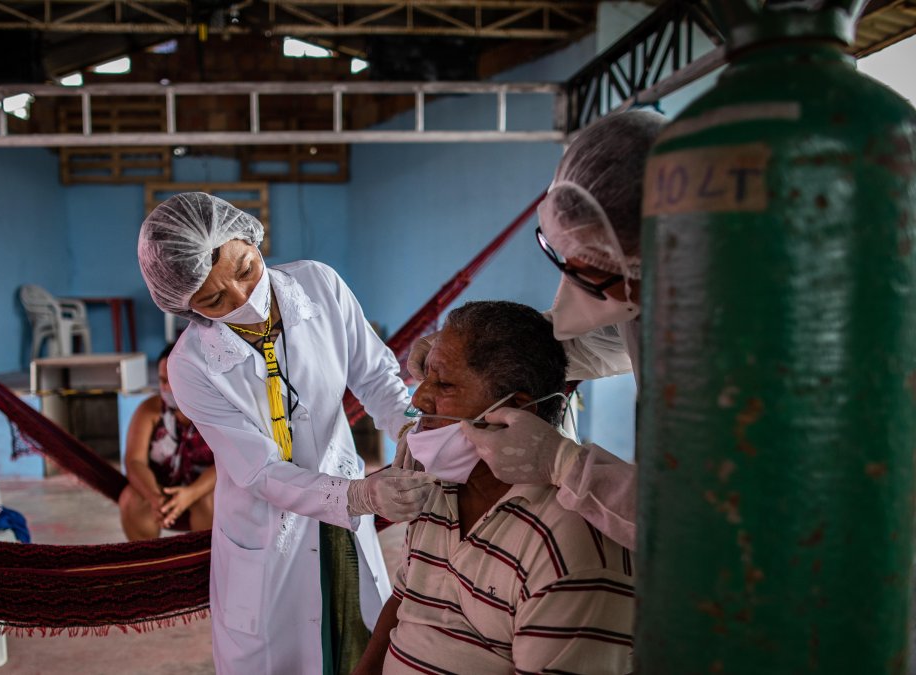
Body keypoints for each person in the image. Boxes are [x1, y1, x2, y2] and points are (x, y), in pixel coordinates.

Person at [137, 192, 437, 675]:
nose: (242, 299)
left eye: (246, 269)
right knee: (282, 656)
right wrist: (360, 495)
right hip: (268, 529)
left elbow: (376, 377)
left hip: (341, 522)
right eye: (213, 300)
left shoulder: (319, 284)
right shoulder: (190, 366)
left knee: (357, 643)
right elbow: (259, 471)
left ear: (251, 238)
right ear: (186, 307)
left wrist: (411, 431)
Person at [407, 110, 667, 551]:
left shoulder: (743, 354)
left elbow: (699, 527)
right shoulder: (638, 299)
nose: (418, 399)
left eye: (591, 270)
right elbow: (580, 342)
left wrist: (565, 464)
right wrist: (461, 346)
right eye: (563, 256)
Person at [355, 301, 634, 675]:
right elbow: (404, 600)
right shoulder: (440, 491)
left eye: (444, 383)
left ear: (516, 409)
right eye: (426, 378)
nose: (418, 400)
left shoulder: (564, 543)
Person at [118, 343, 216, 540]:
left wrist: (191, 494)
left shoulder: (214, 411)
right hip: (161, 488)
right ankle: (149, 558)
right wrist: (155, 498)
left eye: (173, 380)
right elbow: (134, 461)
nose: (166, 388)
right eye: (162, 380)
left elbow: (228, 463)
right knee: (130, 499)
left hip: (204, 489)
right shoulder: (150, 411)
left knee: (210, 501)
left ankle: (205, 558)